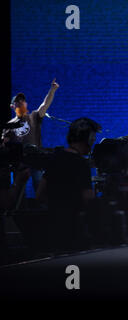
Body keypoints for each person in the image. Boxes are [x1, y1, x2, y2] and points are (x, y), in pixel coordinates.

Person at [36, 117, 101, 251]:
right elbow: (88, 199)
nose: (94, 141)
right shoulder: (81, 164)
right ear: (87, 138)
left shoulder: (54, 158)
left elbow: (39, 194)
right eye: (93, 137)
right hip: (75, 233)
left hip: (53, 231)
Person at [2, 79, 59, 191]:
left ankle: (41, 206)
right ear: (12, 106)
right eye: (18, 102)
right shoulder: (9, 125)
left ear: (26, 104)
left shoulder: (33, 117)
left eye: (23, 101)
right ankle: (17, 207)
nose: (21, 103)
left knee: (38, 183)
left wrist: (52, 90)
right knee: (18, 188)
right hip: (19, 161)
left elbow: (45, 104)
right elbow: (4, 144)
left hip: (35, 158)